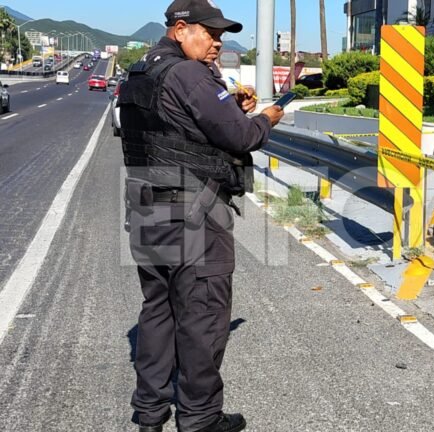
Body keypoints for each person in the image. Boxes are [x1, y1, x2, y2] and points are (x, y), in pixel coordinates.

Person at [118, 1, 283, 431]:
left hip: (147, 201)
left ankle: (150, 413)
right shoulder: (189, 74)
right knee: (203, 317)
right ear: (180, 29)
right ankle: (200, 419)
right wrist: (265, 118)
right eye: (209, 33)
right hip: (192, 208)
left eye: (220, 35)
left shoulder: (140, 72)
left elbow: (179, 127)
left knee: (157, 310)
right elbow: (242, 137)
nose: (217, 43)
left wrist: (231, 104)